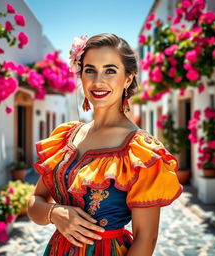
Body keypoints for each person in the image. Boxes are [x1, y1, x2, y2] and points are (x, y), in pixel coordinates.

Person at [27, 33, 183, 256]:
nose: (98, 81)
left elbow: (146, 238)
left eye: (110, 70)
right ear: (80, 75)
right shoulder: (66, 136)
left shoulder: (140, 150)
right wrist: (55, 213)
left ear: (128, 78)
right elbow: (35, 204)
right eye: (90, 70)